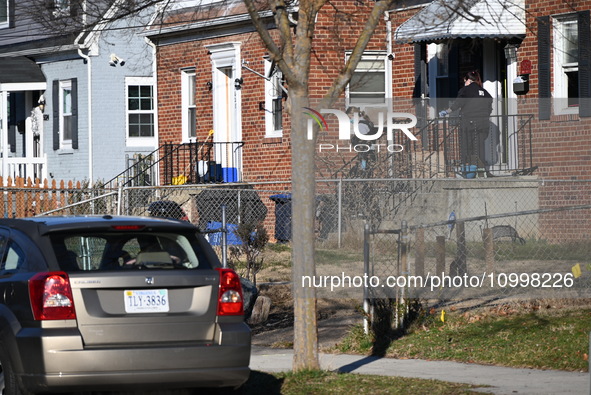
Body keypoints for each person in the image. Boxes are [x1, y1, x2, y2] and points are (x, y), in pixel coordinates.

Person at [440, 71, 493, 175]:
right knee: (479, 147)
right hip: (483, 124)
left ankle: (467, 171)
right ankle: (482, 171)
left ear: (467, 80)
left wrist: (446, 111)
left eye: (465, 80)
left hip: (469, 123)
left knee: (467, 147)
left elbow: (457, 104)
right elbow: (489, 108)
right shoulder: (485, 92)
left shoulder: (466, 90)